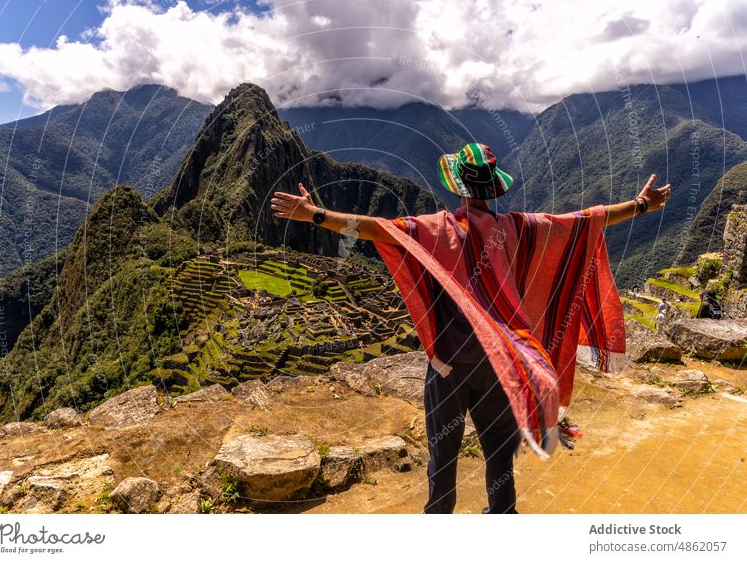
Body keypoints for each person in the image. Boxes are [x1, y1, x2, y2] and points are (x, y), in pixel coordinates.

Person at [270, 142, 671, 514]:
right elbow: (584, 221)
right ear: (494, 189)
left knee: (443, 454)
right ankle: (501, 518)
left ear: (458, 188)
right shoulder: (520, 229)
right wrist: (639, 205)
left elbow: (375, 228)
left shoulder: (434, 229)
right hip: (503, 362)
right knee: (498, 450)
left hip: (449, 365)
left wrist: (315, 215)